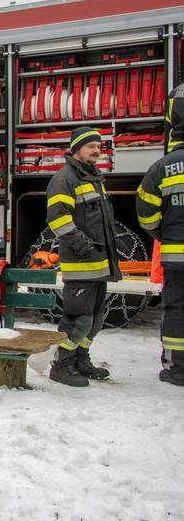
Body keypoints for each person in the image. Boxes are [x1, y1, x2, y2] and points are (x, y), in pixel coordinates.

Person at [45, 126, 121, 387]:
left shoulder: (93, 178)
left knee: (96, 319)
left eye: (98, 146)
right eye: (91, 146)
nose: (96, 150)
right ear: (76, 148)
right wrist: (85, 247)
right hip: (81, 263)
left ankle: (80, 359)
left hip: (99, 264)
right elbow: (58, 220)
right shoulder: (64, 179)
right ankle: (61, 365)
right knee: (78, 319)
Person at [137, 86, 184, 387]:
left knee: (177, 309)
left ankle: (177, 367)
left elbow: (146, 215)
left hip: (176, 257)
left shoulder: (161, 168)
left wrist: (163, 234)